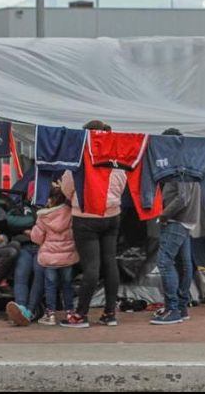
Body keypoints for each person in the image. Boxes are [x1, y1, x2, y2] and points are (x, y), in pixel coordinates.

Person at [60, 120, 127, 328]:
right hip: (113, 215)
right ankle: (109, 313)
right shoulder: (115, 158)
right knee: (110, 262)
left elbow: (67, 188)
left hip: (86, 217)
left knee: (91, 267)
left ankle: (80, 315)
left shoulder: (79, 159)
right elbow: (121, 185)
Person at [151, 128, 198, 326]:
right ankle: (182, 306)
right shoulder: (192, 158)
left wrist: (163, 214)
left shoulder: (177, 164)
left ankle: (173, 309)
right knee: (183, 263)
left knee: (164, 261)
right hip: (188, 218)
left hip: (176, 219)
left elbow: (182, 197)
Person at [29, 185, 78, 326]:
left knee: (50, 286)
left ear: (50, 199)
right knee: (67, 285)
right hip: (67, 256)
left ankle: (50, 315)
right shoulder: (70, 213)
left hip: (50, 258)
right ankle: (70, 312)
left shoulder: (44, 216)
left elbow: (37, 238)